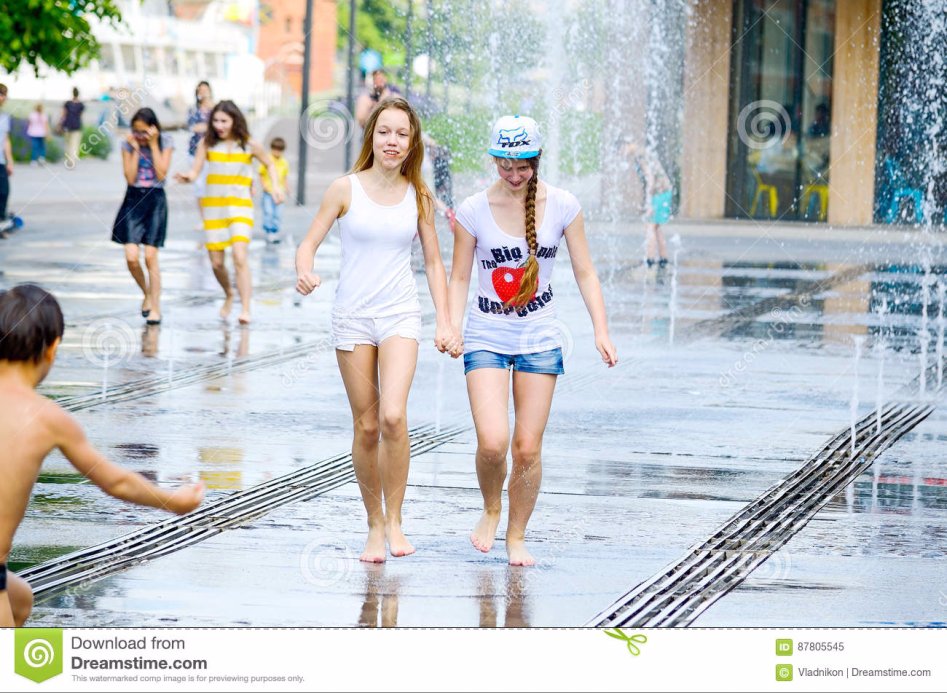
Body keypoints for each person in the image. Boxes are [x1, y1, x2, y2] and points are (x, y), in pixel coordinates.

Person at [447, 114, 618, 566]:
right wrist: (449, 323)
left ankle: (516, 535)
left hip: (540, 335)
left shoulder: (563, 205)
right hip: (486, 333)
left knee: (526, 447)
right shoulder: (472, 210)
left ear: (537, 159)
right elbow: (460, 275)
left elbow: (585, 270)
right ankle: (490, 507)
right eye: (506, 165)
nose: (515, 174)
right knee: (492, 442)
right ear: (494, 160)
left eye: (523, 165)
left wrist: (600, 328)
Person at [295, 96, 459, 563]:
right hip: (352, 315)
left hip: (399, 314)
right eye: (385, 132)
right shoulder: (344, 189)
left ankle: (396, 520)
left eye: (402, 134)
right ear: (372, 136)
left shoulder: (419, 195)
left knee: (392, 416)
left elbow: (432, 262)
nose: (393, 141)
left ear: (413, 143)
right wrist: (304, 271)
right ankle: (372, 523)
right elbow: (308, 244)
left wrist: (445, 321)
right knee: (366, 426)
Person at [0, 284, 204, 627]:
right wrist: (176, 501)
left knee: (20, 599)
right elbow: (118, 483)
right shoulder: (47, 417)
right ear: (52, 349)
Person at [176, 100, 283, 325]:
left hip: (240, 206)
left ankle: (245, 309)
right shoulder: (207, 144)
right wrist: (188, 177)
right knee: (216, 262)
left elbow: (270, 164)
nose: (219, 125)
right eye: (215, 121)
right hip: (214, 208)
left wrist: (275, 187)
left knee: (240, 256)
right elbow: (195, 172)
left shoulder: (249, 144)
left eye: (224, 121)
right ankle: (229, 293)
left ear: (235, 120)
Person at [112, 108, 174, 325]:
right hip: (133, 198)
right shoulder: (128, 144)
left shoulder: (165, 141)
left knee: (150, 256)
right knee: (131, 256)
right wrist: (136, 148)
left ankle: (155, 306)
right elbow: (129, 177)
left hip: (155, 198)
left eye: (143, 131)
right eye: (135, 131)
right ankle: (146, 292)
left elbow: (162, 174)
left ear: (153, 128)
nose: (139, 135)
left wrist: (154, 144)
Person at [624, 142, 672, 267]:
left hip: (659, 192)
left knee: (649, 225)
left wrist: (648, 203)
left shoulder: (640, 155)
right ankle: (663, 258)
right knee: (656, 226)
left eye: (621, 149)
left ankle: (650, 259)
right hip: (664, 191)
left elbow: (650, 178)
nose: (622, 154)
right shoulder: (642, 152)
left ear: (627, 145)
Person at [186, 81, 214, 229]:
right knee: (199, 186)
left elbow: (216, 127)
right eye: (200, 90)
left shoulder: (215, 109)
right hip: (194, 150)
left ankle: (212, 217)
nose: (203, 93)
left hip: (212, 152)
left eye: (205, 90)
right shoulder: (193, 109)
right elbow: (192, 127)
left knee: (211, 185)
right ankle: (203, 218)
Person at [259, 136, 289, 244]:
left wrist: (287, 188)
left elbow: (285, 176)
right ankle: (269, 231)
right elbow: (261, 174)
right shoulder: (267, 159)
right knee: (269, 211)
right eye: (275, 149)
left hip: (280, 192)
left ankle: (275, 230)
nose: (277, 152)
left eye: (279, 150)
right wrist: (264, 186)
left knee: (278, 213)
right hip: (268, 192)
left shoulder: (284, 162)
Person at [0, 84, 13, 238]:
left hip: (1, 161)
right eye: (1, 94)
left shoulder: (4, 117)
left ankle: (1, 223)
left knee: (3, 192)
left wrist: (10, 161)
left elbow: (6, 140)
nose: (3, 98)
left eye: (5, 95)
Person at [61, 87, 85, 166]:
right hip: (77, 126)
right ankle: (72, 159)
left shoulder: (67, 103)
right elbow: (81, 116)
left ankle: (69, 158)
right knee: (75, 144)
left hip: (67, 125)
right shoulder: (81, 105)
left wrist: (60, 124)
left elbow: (63, 115)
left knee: (67, 143)